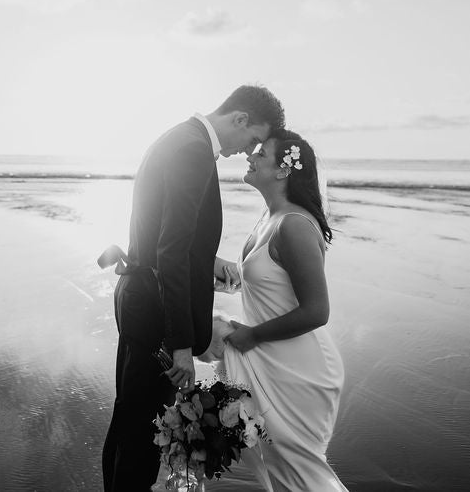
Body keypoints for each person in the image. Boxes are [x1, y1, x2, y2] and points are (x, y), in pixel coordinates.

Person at [99, 85, 286, 491]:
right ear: (239, 119)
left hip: (141, 297)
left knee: (128, 419)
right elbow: (170, 250)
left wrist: (207, 261)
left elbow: (164, 235)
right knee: (141, 434)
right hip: (154, 310)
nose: (246, 150)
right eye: (252, 139)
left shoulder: (181, 136)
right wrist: (182, 344)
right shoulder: (193, 150)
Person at [212, 129, 347, 491]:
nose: (249, 157)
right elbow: (262, 281)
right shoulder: (269, 218)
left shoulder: (295, 225)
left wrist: (252, 335)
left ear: (284, 170)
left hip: (297, 368)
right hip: (267, 359)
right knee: (279, 471)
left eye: (260, 153)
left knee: (302, 473)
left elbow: (317, 310)